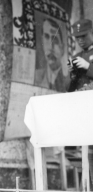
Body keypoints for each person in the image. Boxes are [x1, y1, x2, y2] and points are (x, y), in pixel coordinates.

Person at [67, 19, 93, 185]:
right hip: (84, 111)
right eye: (77, 37)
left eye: (83, 35)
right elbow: (70, 90)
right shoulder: (76, 57)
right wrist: (72, 75)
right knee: (87, 152)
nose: (81, 40)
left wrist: (88, 67)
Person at [35, 17, 69, 92]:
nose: (50, 46)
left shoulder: (69, 79)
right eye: (46, 37)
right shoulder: (36, 77)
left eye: (55, 40)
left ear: (62, 48)